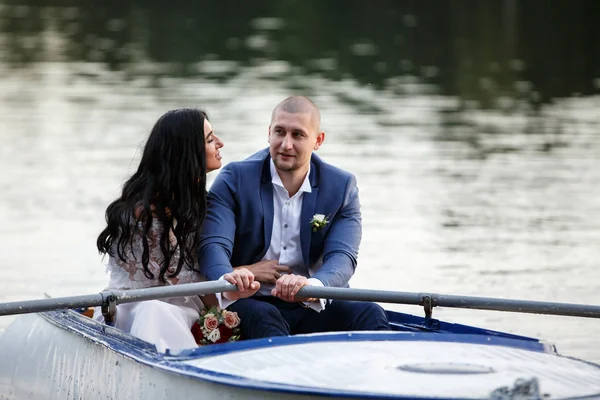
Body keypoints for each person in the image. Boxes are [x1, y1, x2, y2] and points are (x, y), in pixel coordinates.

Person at [198, 96, 390, 339]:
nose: (286, 144)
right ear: (269, 133)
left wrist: (315, 286)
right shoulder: (235, 178)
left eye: (298, 135)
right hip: (253, 300)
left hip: (313, 302)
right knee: (266, 317)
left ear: (318, 140)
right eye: (280, 132)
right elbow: (213, 244)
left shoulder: (341, 186)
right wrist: (229, 275)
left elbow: (343, 256)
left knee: (370, 313)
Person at [94, 108, 259, 352]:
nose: (220, 143)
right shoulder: (142, 213)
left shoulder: (198, 204)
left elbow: (199, 287)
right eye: (210, 139)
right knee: (155, 312)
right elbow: (175, 281)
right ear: (187, 153)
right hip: (135, 311)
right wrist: (251, 272)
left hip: (183, 310)